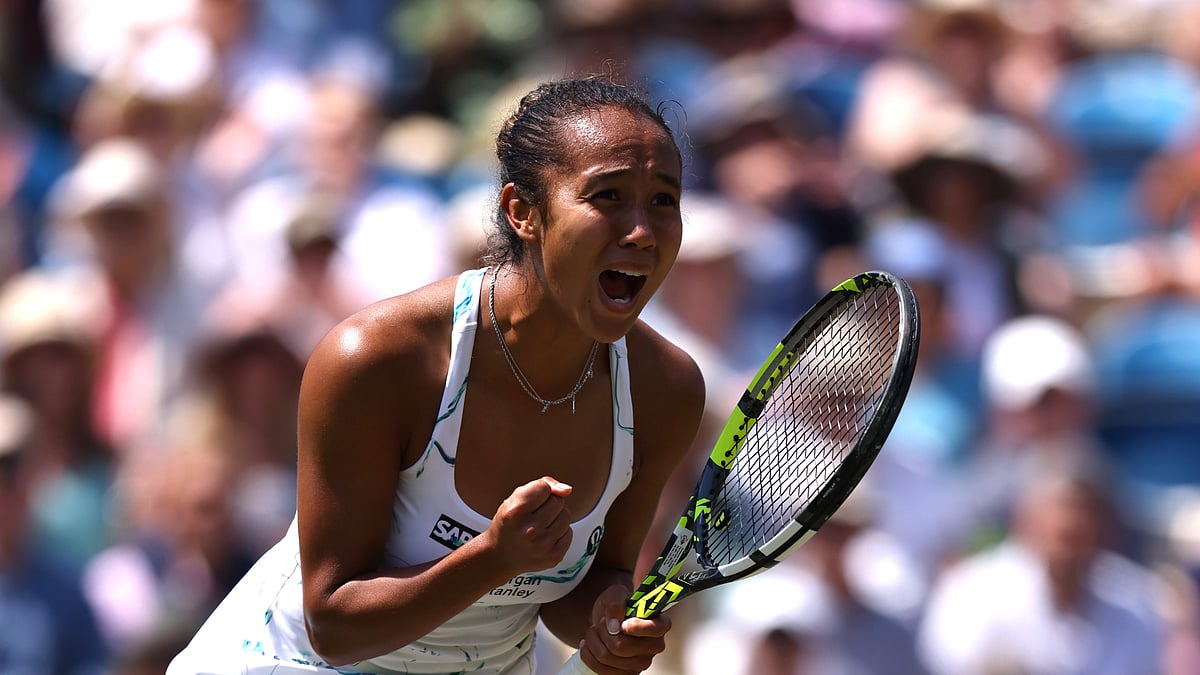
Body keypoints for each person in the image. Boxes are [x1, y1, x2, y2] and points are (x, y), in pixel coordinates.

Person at [168, 76, 705, 674]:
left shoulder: (664, 391)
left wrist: (607, 626)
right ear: (522, 212)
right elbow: (333, 624)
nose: (641, 231)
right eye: (607, 197)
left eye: (664, 201)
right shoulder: (377, 359)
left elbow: (590, 584)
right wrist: (492, 558)